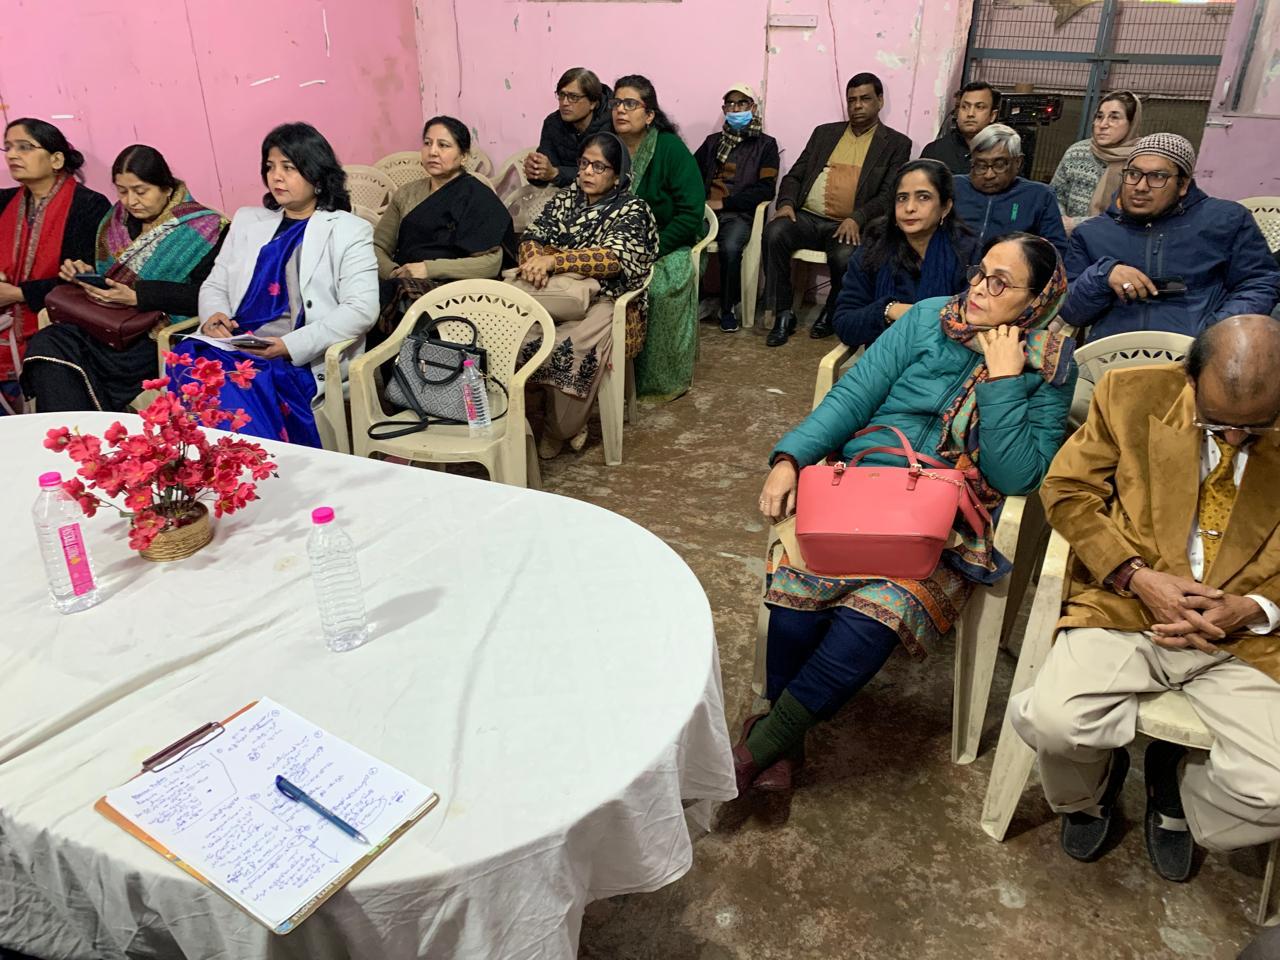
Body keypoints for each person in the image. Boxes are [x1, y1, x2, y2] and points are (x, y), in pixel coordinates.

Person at [740, 233, 1077, 794]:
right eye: (979, 273)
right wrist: (790, 458)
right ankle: (780, 740)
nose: (979, 289)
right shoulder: (927, 318)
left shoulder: (1050, 365)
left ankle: (756, 751)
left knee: (870, 620)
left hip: (942, 522)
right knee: (795, 605)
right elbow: (853, 397)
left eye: (1001, 283)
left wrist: (1003, 380)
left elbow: (1017, 475)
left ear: (1037, 300)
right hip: (861, 485)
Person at [1011, 315, 1280, 883]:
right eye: (1218, 423)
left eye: (1256, 427)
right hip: (1130, 608)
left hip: (1247, 637)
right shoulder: (1130, 393)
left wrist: (1255, 608)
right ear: (1190, 379)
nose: (1234, 439)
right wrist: (1134, 575)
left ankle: (1180, 788)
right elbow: (1067, 489)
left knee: (1273, 788)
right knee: (1056, 724)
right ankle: (1090, 794)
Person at [175, 122, 378, 447]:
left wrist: (289, 345)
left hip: (296, 356)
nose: (276, 177)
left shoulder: (348, 230)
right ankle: (205, 468)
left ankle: (255, 467)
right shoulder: (247, 221)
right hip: (236, 341)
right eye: (270, 167)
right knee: (186, 361)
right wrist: (214, 316)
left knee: (237, 380)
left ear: (316, 174)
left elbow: (361, 309)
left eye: (288, 167)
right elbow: (215, 283)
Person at [22, 145, 227, 413]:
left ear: (166, 188)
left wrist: (138, 296)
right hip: (106, 325)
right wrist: (81, 272)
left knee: (64, 354)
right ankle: (74, 430)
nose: (131, 201)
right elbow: (107, 274)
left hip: (154, 336)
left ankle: (82, 429)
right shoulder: (115, 219)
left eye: (141, 191)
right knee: (48, 341)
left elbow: (208, 293)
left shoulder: (206, 228)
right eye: (122, 191)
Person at [510, 133, 658, 459]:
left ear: (617, 175)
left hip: (609, 298)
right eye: (584, 164)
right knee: (516, 332)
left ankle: (559, 427)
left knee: (570, 346)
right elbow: (533, 235)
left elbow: (614, 259)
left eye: (599, 167)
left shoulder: (632, 209)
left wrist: (555, 261)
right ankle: (526, 415)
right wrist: (534, 263)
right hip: (557, 290)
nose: (588, 172)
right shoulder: (566, 199)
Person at [1063, 133, 1280, 338]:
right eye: (1133, 174)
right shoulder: (1092, 233)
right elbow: (1072, 313)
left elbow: (1259, 283)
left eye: (1158, 177)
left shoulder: (1224, 220)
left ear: (1183, 184)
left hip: (1200, 354)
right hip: (1110, 355)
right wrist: (1102, 276)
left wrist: (1216, 332)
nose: (1140, 186)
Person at [761, 73, 912, 346]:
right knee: (774, 233)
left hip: (847, 224)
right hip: (807, 217)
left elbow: (889, 194)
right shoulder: (825, 134)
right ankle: (783, 312)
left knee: (845, 256)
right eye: (852, 100)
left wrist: (858, 217)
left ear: (880, 101)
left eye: (865, 99)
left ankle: (832, 311)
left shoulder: (896, 144)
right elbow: (795, 175)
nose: (857, 105)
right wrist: (786, 204)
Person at [0, 119, 110, 414]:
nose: (12, 155)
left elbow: (85, 280)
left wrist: (18, 294)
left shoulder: (89, 205)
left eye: (25, 147)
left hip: (59, 326)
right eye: (8, 147)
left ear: (56, 159)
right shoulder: (3, 201)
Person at [610, 74, 705, 400]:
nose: (620, 110)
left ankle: (655, 380)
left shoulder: (670, 149)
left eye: (630, 104)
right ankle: (606, 380)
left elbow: (690, 214)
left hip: (668, 241)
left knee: (659, 289)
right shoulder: (608, 148)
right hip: (615, 243)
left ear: (649, 114)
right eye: (616, 103)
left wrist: (650, 249)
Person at [830, 159, 976, 350]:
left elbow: (976, 324)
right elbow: (845, 324)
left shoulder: (967, 252)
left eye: (923, 197)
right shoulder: (873, 250)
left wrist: (921, 317)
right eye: (902, 198)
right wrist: (890, 310)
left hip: (946, 360)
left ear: (945, 207)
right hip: (882, 359)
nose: (909, 208)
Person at [373, 116, 514, 308]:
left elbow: (491, 263)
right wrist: (393, 272)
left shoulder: (478, 197)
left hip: (455, 289)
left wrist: (428, 269)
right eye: (427, 143)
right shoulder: (406, 193)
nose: (432, 152)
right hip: (401, 283)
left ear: (464, 156)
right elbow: (378, 246)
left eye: (443, 145)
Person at [692, 83, 779, 332]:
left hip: (738, 214)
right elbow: (691, 174)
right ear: (724, 109)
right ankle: (695, 301)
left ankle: (728, 307)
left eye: (741, 103)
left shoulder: (766, 145)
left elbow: (766, 189)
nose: (735, 108)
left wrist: (725, 203)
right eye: (730, 104)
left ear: (752, 107)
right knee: (684, 240)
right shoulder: (712, 143)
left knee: (731, 248)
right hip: (706, 213)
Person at [954, 124, 1069, 261]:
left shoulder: (1039, 196)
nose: (989, 175)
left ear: (1018, 162)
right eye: (981, 165)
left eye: (999, 165)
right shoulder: (954, 186)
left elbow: (1055, 251)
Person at [1051, 92, 1142, 230]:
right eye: (1099, 117)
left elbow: (1135, 214)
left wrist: (1077, 225)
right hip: (1066, 236)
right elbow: (1055, 195)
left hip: (1116, 237)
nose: (1103, 124)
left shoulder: (1140, 160)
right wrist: (1060, 221)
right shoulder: (1077, 152)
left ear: (1131, 123)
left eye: (1114, 117)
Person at [524, 68, 613, 188]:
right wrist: (535, 171)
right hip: (564, 191)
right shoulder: (552, 123)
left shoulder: (611, 125)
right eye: (562, 95)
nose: (565, 103)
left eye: (573, 97)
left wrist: (556, 173)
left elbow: (601, 174)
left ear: (592, 103)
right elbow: (547, 172)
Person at [920, 81, 1001, 175]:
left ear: (992, 115)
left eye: (979, 107)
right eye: (964, 107)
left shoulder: (1003, 152)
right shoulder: (935, 151)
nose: (970, 114)